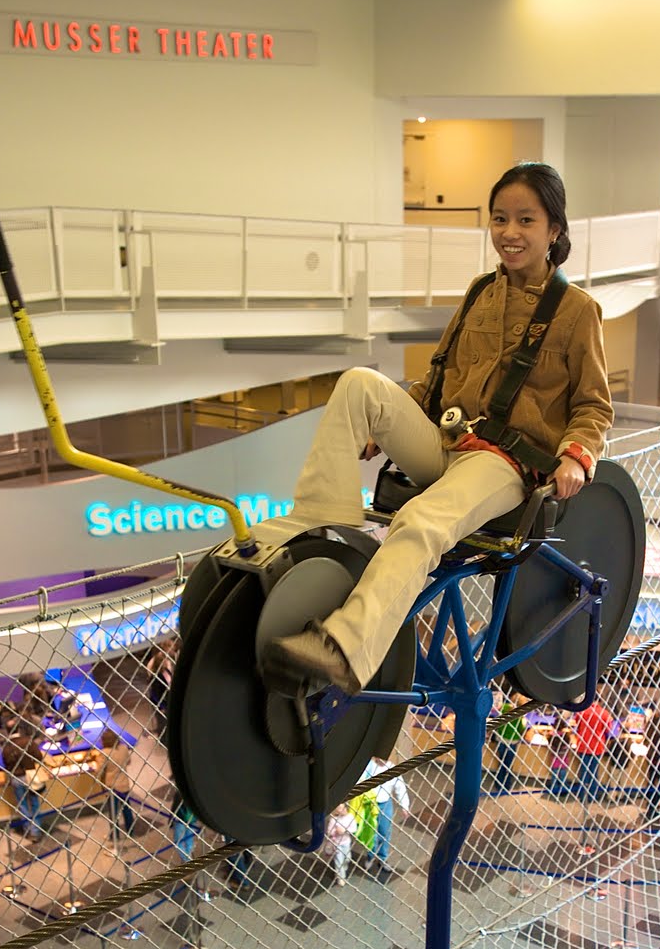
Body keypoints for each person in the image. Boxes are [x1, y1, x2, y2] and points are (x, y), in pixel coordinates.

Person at [258, 162, 613, 697]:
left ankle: (346, 651)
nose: (510, 233)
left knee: (423, 521)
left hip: (504, 464)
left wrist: (576, 456)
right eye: (499, 219)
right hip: (445, 440)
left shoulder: (577, 311)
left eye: (525, 220)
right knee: (359, 382)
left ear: (554, 231)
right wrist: (393, 418)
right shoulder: (479, 293)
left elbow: (593, 405)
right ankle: (318, 536)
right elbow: (439, 374)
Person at [362, 756, 411, 873]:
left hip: (385, 803)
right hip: (369, 804)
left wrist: (404, 805)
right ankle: (370, 856)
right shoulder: (369, 766)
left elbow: (400, 788)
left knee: (385, 832)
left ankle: (383, 858)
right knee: (371, 832)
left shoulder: (392, 769)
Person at [572, 697, 613, 808]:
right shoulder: (604, 713)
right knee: (594, 773)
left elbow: (577, 725)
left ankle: (582, 795)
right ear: (600, 701)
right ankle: (592, 796)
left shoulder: (581, 711)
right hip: (597, 747)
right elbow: (608, 730)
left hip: (583, 745)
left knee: (583, 772)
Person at [489, 688, 527, 795]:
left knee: (501, 763)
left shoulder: (503, 708)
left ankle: (498, 783)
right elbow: (521, 729)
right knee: (508, 764)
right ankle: (506, 785)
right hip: (512, 742)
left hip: (500, 740)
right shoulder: (520, 714)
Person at [99, 727, 135, 838]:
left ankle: (114, 835)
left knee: (113, 812)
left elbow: (99, 770)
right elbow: (128, 761)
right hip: (124, 784)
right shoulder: (124, 748)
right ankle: (131, 831)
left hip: (112, 786)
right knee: (126, 809)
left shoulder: (104, 753)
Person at [325, 803, 358, 887]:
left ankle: (343, 867)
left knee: (347, 858)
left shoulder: (350, 817)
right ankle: (341, 877)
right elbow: (329, 832)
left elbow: (354, 828)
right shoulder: (334, 819)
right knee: (339, 860)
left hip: (346, 842)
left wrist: (345, 830)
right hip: (336, 843)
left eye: (343, 808)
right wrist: (335, 831)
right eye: (339, 809)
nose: (342, 810)